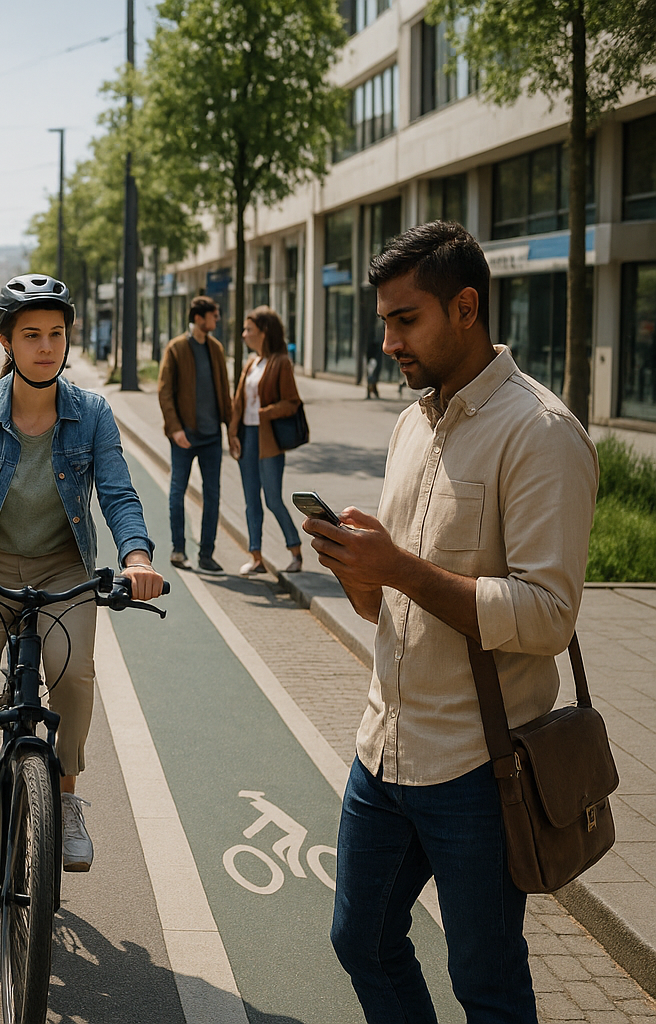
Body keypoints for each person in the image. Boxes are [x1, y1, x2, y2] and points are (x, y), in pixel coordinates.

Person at [305, 221, 597, 1021]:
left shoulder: (540, 434)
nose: (389, 341)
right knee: (359, 941)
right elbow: (393, 601)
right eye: (386, 322)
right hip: (384, 748)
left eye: (407, 320)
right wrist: (364, 573)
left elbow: (546, 614)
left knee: (488, 985)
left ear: (466, 307)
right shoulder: (410, 424)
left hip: (478, 767)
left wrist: (398, 567)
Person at [0, 274, 165, 920]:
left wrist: (136, 558)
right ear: (7, 342)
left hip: (61, 572)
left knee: (74, 677)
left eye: (56, 334)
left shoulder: (93, 414)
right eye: (31, 336)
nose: (46, 347)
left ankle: (66, 798)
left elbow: (118, 493)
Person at [158, 296, 237, 574]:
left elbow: (224, 394)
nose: (217, 320)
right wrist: (175, 428)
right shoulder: (177, 347)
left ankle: (206, 554)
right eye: (214, 316)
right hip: (184, 436)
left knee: (213, 495)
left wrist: (231, 431)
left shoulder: (215, 349)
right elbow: (165, 391)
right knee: (177, 490)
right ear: (200, 318)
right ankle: (178, 550)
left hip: (211, 436)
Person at [229, 306, 304, 576]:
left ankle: (295, 551)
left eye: (249, 329)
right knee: (251, 500)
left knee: (272, 499)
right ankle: (256, 557)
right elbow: (238, 403)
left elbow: (292, 403)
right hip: (247, 438)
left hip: (268, 440)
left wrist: (264, 413)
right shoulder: (251, 362)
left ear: (264, 332)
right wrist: (233, 434)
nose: (244, 334)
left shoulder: (281, 362)